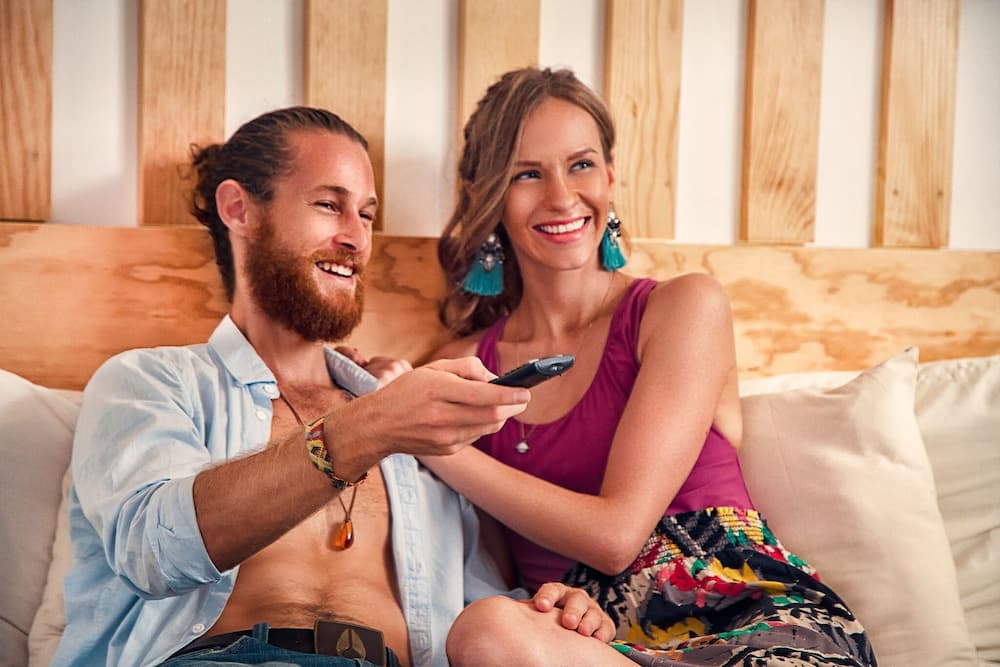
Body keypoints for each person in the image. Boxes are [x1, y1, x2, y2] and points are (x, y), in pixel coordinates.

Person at [51, 106, 620, 667]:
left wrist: (557, 611)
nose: (357, 239)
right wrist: (368, 428)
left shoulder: (416, 423)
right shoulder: (149, 383)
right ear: (239, 209)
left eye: (366, 215)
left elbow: (475, 608)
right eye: (329, 205)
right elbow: (154, 551)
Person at [426, 67, 877, 666]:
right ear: (485, 194)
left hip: (747, 618)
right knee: (487, 633)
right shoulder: (459, 370)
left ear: (610, 176)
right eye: (527, 174)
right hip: (591, 640)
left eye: (581, 165)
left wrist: (433, 445)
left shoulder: (681, 307)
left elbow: (617, 537)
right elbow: (493, 573)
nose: (561, 196)